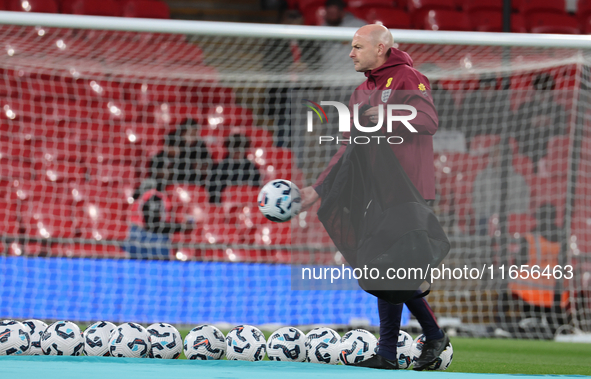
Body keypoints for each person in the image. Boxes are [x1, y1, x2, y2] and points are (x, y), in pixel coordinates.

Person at [300, 24, 449, 371]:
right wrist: (318, 188)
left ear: (380, 47)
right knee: (387, 268)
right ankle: (425, 336)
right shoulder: (359, 91)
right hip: (375, 191)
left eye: (356, 47)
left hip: (407, 191)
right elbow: (348, 148)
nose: (350, 53)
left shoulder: (409, 77)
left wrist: (384, 116)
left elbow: (428, 120)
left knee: (388, 267)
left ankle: (389, 352)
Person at [124, 179, 193, 259]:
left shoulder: (142, 197)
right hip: (150, 240)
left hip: (134, 236)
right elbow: (153, 225)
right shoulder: (154, 196)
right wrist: (181, 227)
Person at [511, 73, 567, 170]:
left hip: (549, 151)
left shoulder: (558, 109)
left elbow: (562, 133)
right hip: (527, 147)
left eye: (545, 91)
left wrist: (549, 124)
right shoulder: (524, 107)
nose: (542, 95)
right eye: (540, 91)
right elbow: (515, 130)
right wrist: (531, 123)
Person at [472, 145, 531, 235]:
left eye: (503, 154)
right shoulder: (481, 177)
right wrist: (493, 217)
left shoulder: (519, 179)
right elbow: (476, 202)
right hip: (487, 220)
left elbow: (523, 203)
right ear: (492, 156)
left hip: (511, 220)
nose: (499, 157)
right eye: (497, 154)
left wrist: (509, 217)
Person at [148, 119, 212, 192]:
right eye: (191, 134)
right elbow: (157, 173)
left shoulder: (200, 147)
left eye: (195, 134)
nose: (193, 137)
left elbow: (206, 165)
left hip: (190, 185)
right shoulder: (159, 158)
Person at [208, 133, 262, 203]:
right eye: (235, 149)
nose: (237, 152)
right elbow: (213, 191)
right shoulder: (220, 168)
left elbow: (256, 188)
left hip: (247, 203)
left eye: (240, 149)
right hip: (225, 205)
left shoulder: (251, 168)